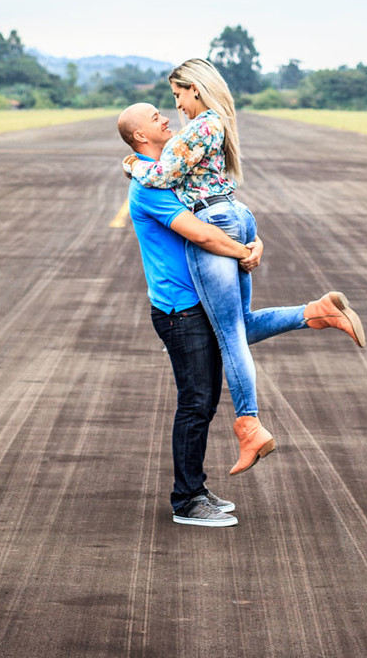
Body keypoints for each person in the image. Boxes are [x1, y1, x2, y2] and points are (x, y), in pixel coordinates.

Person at [122, 59, 365, 478]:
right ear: (141, 134)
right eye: (162, 112)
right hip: (233, 216)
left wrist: (131, 163)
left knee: (229, 336)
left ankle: (249, 424)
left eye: (176, 97)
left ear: (195, 90)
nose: (173, 109)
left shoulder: (190, 137)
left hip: (214, 231)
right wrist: (245, 244)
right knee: (239, 325)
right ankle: (317, 313)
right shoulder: (207, 128)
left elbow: (194, 223)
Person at [117, 101, 265, 527]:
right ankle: (186, 500)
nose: (165, 117)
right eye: (155, 117)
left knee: (203, 400)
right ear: (141, 136)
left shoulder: (169, 175)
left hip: (195, 304)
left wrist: (252, 242)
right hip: (180, 311)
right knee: (195, 403)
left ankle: (195, 488)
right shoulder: (151, 188)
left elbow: (217, 210)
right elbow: (200, 232)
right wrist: (244, 253)